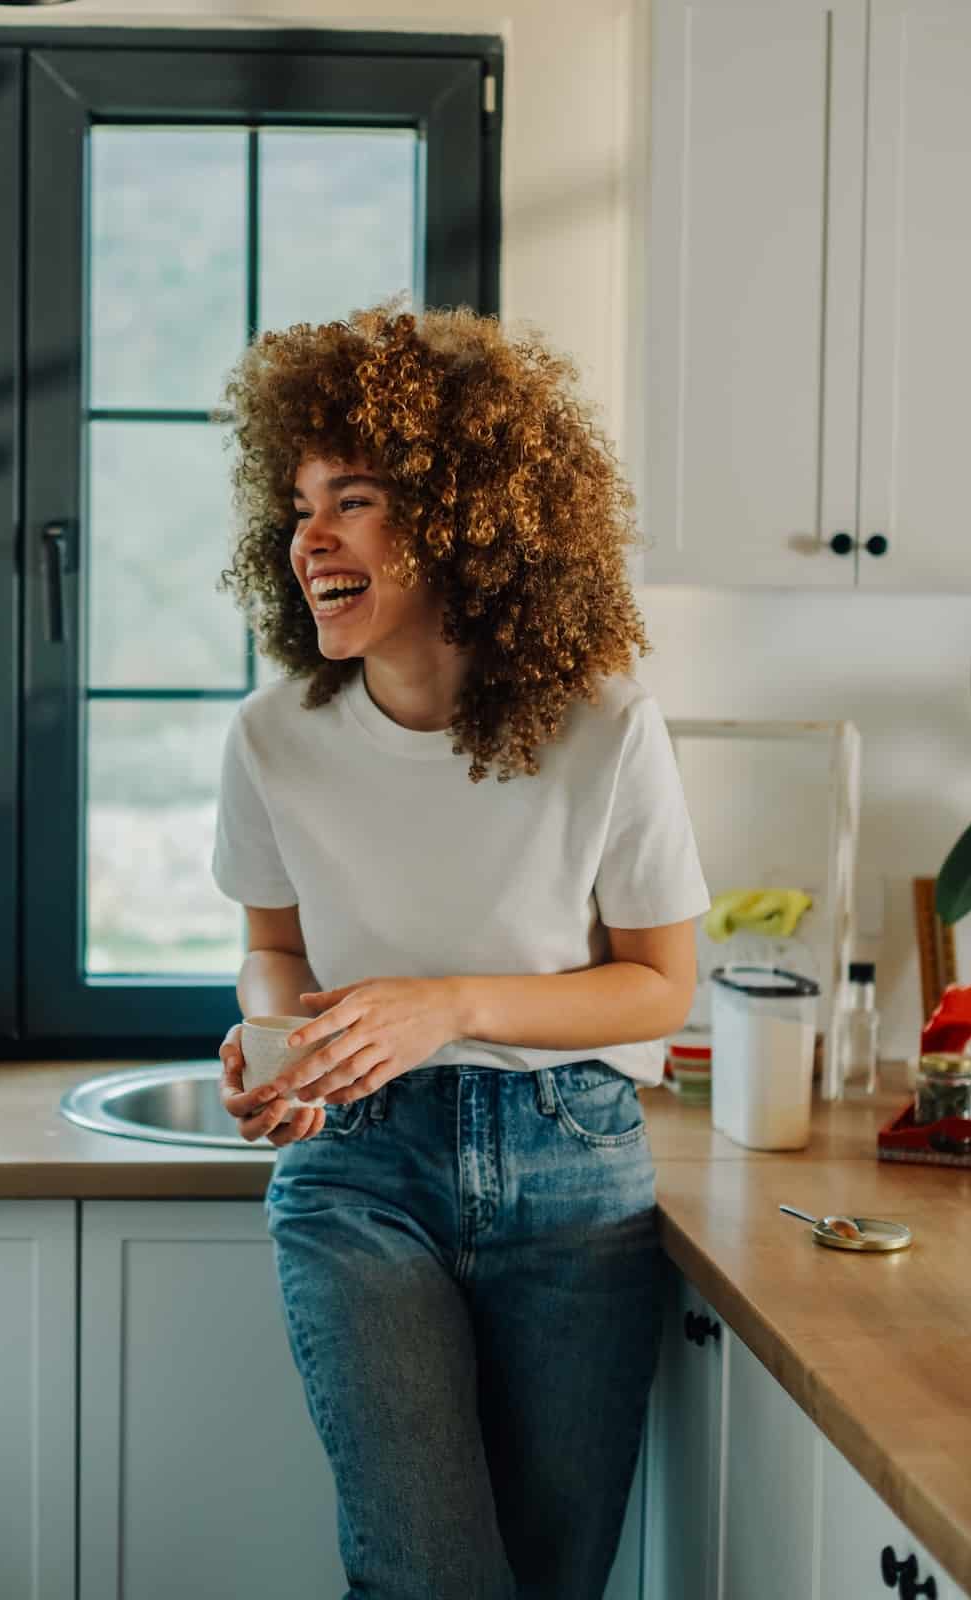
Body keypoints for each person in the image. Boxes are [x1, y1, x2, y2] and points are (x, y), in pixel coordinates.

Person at [210, 306, 708, 1599]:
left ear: (467, 517)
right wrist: (278, 1041)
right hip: (357, 1169)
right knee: (426, 1575)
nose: (308, 535)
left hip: (574, 1168)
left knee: (551, 1580)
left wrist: (450, 1007)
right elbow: (272, 945)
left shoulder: (604, 727)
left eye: (355, 500)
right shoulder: (275, 738)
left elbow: (663, 984)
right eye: (300, 504)